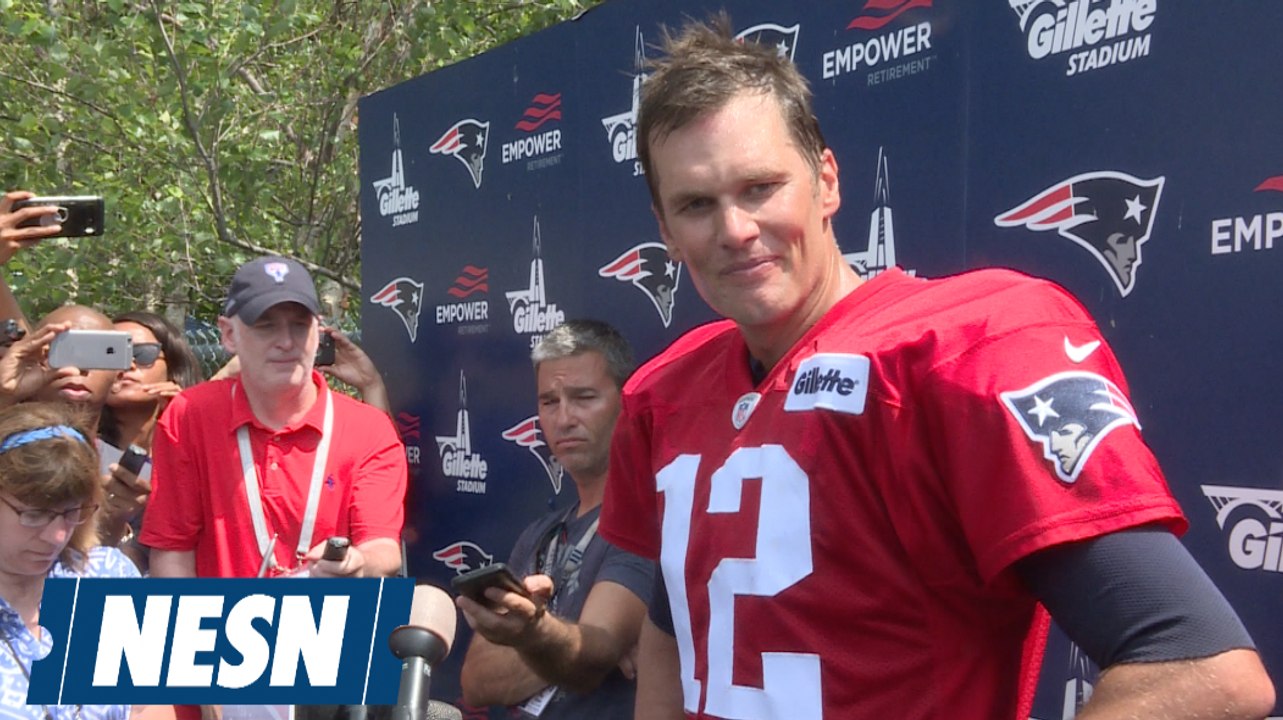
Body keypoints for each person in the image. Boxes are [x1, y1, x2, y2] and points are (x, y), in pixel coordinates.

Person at [598, 16, 1274, 720]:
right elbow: (674, 623)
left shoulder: (960, 348)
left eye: (760, 187)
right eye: (697, 205)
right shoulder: (665, 392)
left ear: (825, 182)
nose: (735, 229)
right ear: (664, 230)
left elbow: (1199, 664)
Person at [140, 255, 407, 580]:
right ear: (228, 335)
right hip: (216, 623)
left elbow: (383, 547)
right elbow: (172, 551)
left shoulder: (368, 428)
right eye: (266, 325)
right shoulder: (189, 414)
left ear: (318, 330)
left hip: (329, 621)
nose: (286, 342)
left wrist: (356, 563)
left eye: (300, 324)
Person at [458, 320, 654, 719]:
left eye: (584, 398)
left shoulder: (647, 521)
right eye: (549, 402)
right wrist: (566, 639)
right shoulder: (540, 534)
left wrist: (531, 636)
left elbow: (591, 654)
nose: (564, 419)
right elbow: (475, 682)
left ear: (625, 403)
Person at [0, 402, 140, 720]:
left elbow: (152, 706)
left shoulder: (109, 577)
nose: (57, 536)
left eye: (71, 513)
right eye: (34, 515)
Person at [96, 311, 204, 561]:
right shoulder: (76, 449)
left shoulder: (205, 449)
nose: (127, 365)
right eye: (111, 353)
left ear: (173, 367)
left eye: (142, 353)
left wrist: (189, 418)